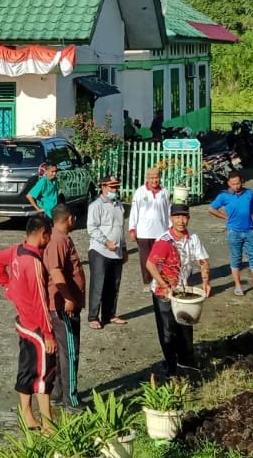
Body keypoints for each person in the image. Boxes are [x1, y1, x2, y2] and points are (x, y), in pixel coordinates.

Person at [0, 214, 57, 428]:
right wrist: (48, 334)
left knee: (26, 369)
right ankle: (48, 424)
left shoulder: (17, 250)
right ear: (43, 234)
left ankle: (27, 415)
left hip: (23, 323)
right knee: (44, 375)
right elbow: (41, 302)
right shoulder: (34, 263)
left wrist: (7, 285)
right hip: (36, 327)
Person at [145, 203, 210, 378]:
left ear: (188, 218)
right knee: (168, 330)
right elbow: (150, 265)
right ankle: (171, 367)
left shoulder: (193, 239)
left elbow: (203, 261)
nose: (181, 221)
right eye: (177, 217)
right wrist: (164, 285)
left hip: (182, 290)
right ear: (171, 219)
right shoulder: (164, 241)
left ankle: (186, 362)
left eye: (184, 217)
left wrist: (206, 281)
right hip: (163, 291)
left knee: (186, 326)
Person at [44, 204, 87, 408]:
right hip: (63, 307)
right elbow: (56, 271)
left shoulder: (60, 238)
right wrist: (69, 298)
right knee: (70, 352)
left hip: (64, 305)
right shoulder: (58, 241)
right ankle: (71, 400)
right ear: (69, 218)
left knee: (63, 351)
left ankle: (59, 391)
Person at [206, 170, 253, 297]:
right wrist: (224, 217)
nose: (236, 186)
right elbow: (211, 208)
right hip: (234, 232)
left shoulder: (249, 194)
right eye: (233, 184)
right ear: (228, 183)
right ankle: (238, 286)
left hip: (249, 231)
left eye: (238, 183)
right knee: (236, 259)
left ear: (242, 182)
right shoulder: (224, 196)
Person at [85, 174, 128, 329]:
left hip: (116, 251)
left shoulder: (118, 204)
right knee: (98, 284)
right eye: (111, 186)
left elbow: (120, 228)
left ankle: (109, 314)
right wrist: (106, 242)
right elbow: (92, 228)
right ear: (103, 187)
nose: (114, 189)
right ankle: (93, 316)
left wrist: (123, 248)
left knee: (114, 284)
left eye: (116, 186)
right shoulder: (96, 205)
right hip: (100, 250)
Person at [126, 166, 171, 287]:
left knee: (160, 258)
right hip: (144, 232)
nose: (154, 180)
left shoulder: (164, 192)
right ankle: (147, 281)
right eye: (151, 178)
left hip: (161, 231)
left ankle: (159, 281)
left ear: (160, 178)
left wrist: (171, 228)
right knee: (145, 259)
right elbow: (134, 211)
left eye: (156, 178)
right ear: (147, 178)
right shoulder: (140, 192)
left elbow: (169, 211)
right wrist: (132, 228)